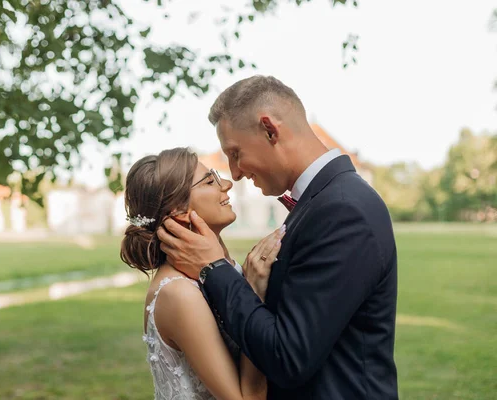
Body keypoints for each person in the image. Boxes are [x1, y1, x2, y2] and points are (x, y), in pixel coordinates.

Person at [157, 76, 399, 399]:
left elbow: (288, 357)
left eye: (235, 153)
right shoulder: (325, 202)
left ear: (270, 130)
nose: (235, 172)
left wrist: (213, 267)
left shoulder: (343, 210)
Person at [120, 147, 279, 400]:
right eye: (209, 181)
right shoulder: (179, 294)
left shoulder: (219, 268)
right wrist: (255, 294)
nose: (226, 184)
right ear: (178, 211)